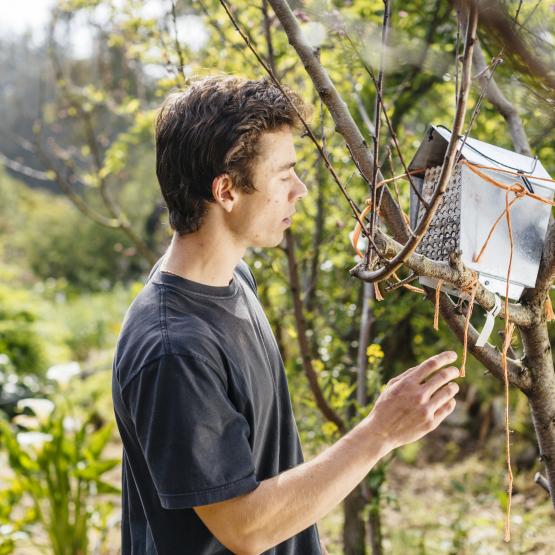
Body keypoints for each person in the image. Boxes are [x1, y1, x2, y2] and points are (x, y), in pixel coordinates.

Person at [111, 75, 461, 555]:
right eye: (284, 174)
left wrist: (394, 252)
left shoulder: (234, 279)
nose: (299, 190)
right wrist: (380, 432)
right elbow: (245, 528)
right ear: (227, 191)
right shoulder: (174, 349)